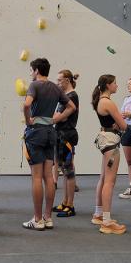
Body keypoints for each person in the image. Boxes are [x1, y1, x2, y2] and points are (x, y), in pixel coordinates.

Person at [21, 58, 76, 230]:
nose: (31, 74)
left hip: (36, 131)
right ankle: (48, 218)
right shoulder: (54, 86)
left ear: (37, 70)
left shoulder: (34, 85)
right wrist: (55, 119)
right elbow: (71, 107)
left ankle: (37, 219)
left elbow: (27, 104)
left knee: (36, 177)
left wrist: (28, 120)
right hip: (50, 132)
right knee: (48, 177)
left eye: (31, 70)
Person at [91, 74, 128, 234]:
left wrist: (117, 121)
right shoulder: (108, 102)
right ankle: (106, 221)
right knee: (110, 182)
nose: (117, 86)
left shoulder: (100, 101)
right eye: (114, 83)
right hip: (110, 142)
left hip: (105, 139)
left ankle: (99, 213)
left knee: (104, 178)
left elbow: (115, 122)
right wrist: (121, 120)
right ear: (108, 85)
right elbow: (124, 126)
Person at [52, 70, 79, 217]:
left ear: (67, 80)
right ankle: (65, 201)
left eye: (59, 80)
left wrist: (53, 118)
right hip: (60, 135)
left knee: (68, 170)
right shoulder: (64, 97)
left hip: (67, 136)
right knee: (63, 170)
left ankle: (71, 205)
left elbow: (59, 117)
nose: (57, 83)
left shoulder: (72, 97)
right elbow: (57, 116)